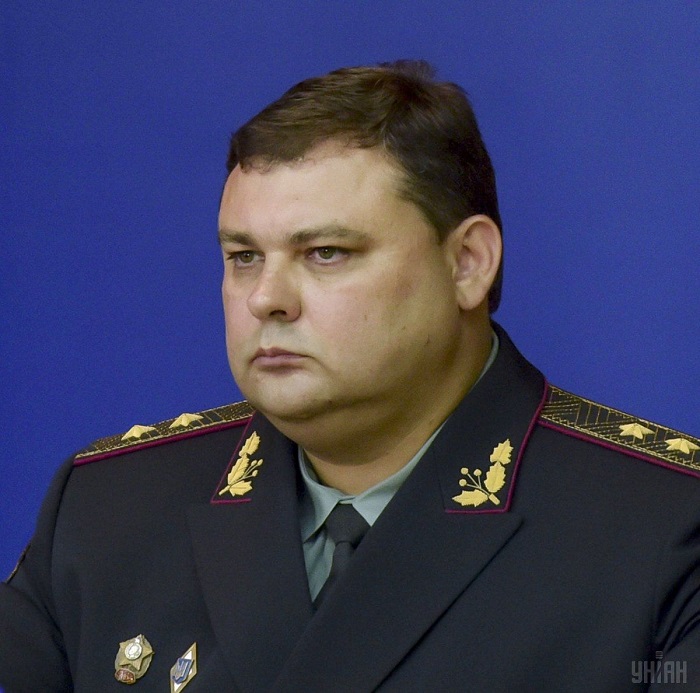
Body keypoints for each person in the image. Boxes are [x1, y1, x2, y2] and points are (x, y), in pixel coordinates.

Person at [1, 60, 699, 693]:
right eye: (244, 257)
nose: (266, 298)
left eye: (326, 252)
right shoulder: (106, 512)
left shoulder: (664, 530)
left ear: (468, 264)